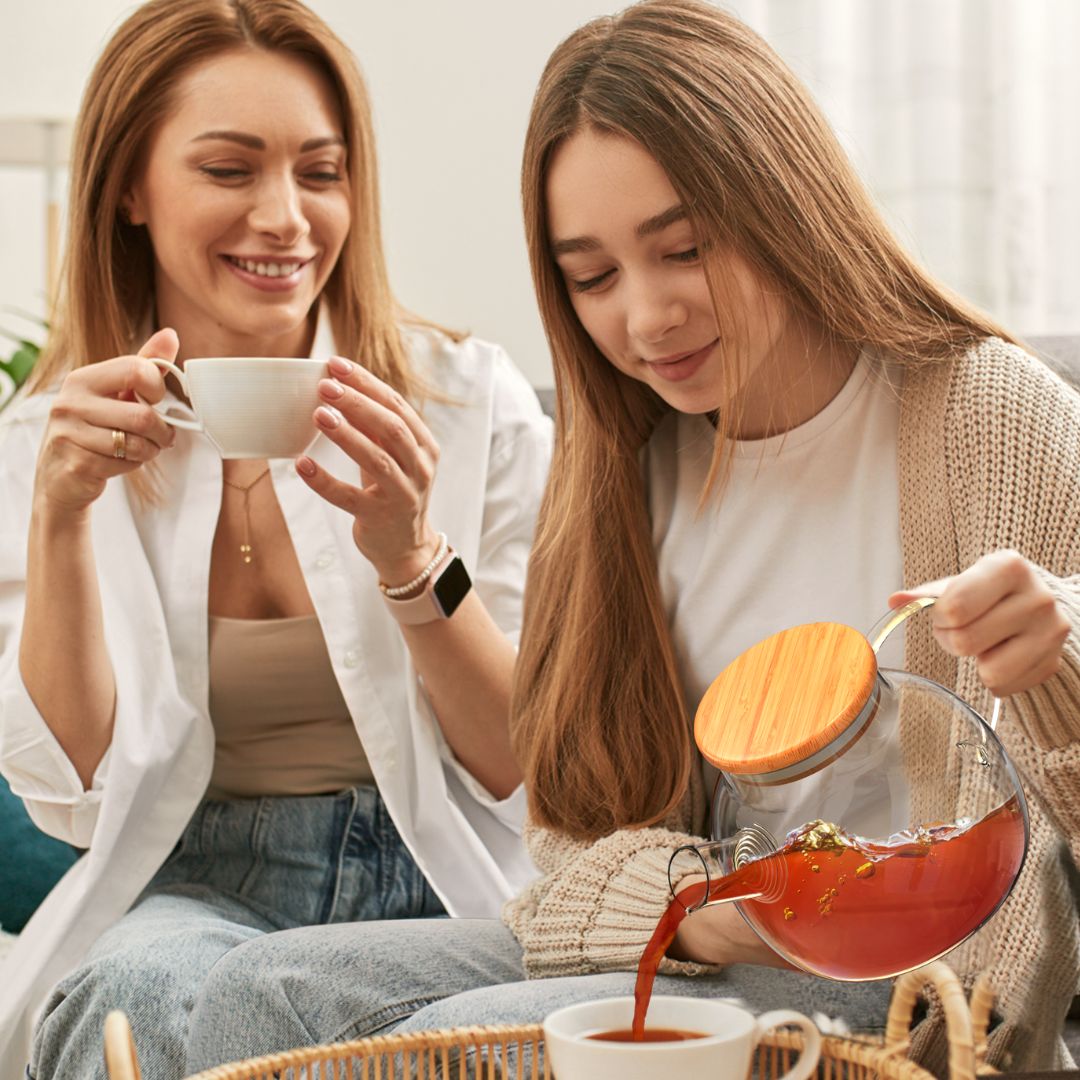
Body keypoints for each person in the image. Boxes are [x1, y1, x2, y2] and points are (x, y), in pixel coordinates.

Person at [186, 1, 1080, 1074]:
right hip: (712, 948)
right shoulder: (623, 466)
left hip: (925, 990)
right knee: (259, 992)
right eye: (594, 278)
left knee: (446, 1051)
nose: (646, 318)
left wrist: (1060, 663)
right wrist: (703, 906)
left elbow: (1048, 847)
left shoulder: (988, 415)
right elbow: (567, 837)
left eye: (684, 249)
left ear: (786, 200)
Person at [0, 1, 552, 1077]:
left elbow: (526, 769)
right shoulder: (43, 445)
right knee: (135, 994)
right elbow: (68, 795)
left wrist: (411, 562)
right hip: (188, 884)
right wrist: (63, 517)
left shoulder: (465, 404)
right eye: (229, 169)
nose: (287, 217)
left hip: (435, 881)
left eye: (319, 170)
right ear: (127, 189)